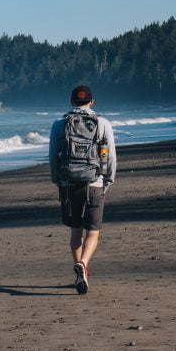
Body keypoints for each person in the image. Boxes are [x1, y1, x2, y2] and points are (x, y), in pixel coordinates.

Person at [49, 85, 116, 294]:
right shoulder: (103, 123)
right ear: (92, 102)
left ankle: (80, 271)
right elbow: (110, 155)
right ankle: (84, 265)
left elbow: (53, 156)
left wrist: (56, 180)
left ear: (71, 102)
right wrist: (108, 180)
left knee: (75, 231)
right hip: (94, 182)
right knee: (93, 232)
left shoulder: (59, 124)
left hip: (69, 184)